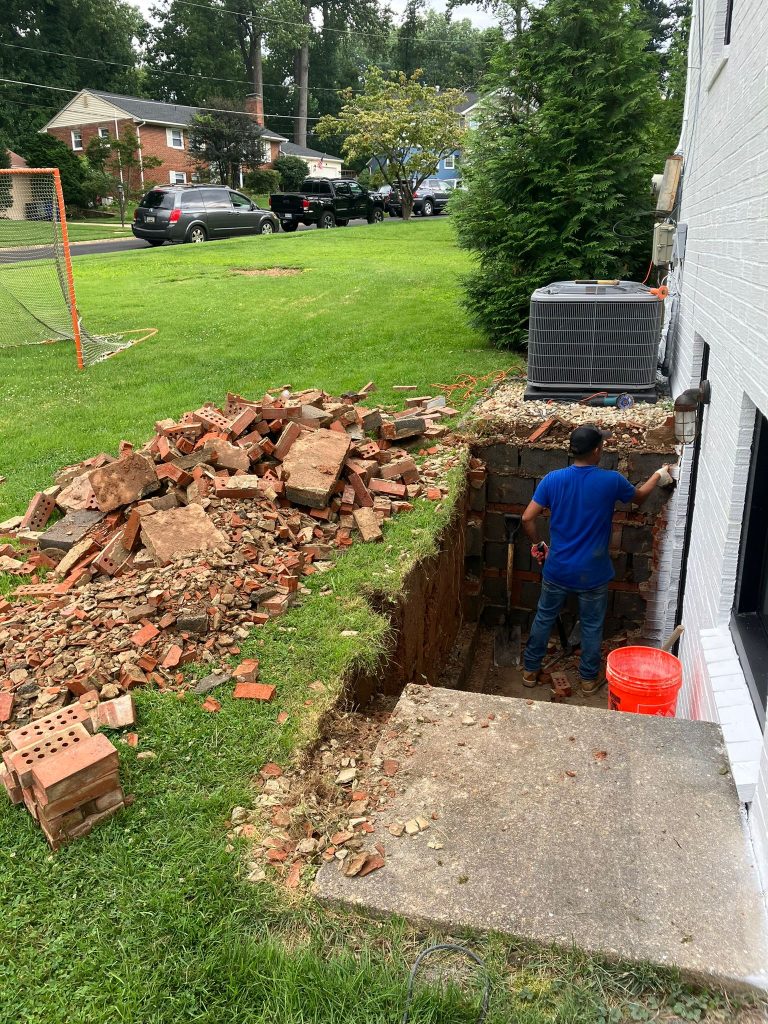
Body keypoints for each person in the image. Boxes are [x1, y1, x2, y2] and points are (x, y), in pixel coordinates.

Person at [521, 424, 673, 695]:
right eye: (601, 445)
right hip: (593, 572)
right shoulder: (610, 480)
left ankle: (530, 671)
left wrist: (538, 544)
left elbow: (527, 518)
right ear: (596, 450)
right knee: (591, 624)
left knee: (544, 617)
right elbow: (638, 498)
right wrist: (658, 474)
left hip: (558, 569)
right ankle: (588, 680)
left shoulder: (552, 479)